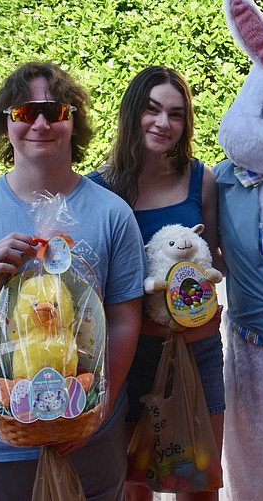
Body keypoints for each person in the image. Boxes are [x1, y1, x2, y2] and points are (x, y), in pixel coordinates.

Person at [0, 61, 146, 500]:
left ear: (73, 122)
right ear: (6, 123)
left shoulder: (113, 214)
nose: (40, 123)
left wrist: (97, 409)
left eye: (55, 111)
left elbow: (123, 322)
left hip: (87, 438)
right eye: (24, 112)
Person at [87, 65, 223, 501]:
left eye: (176, 114)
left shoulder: (202, 179)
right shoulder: (99, 189)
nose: (163, 123)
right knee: (135, 485)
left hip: (199, 352)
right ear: (132, 113)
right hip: (129, 358)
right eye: (152, 109)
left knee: (199, 482)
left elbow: (212, 260)